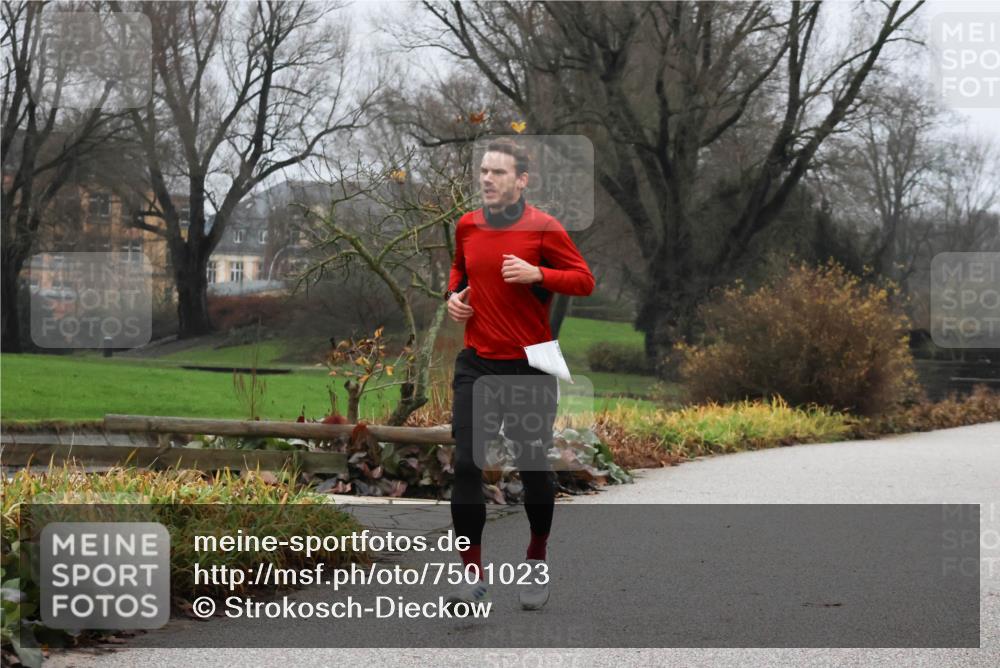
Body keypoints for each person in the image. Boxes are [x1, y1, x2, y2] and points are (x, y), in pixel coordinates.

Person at [444, 138, 595, 611]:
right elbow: (459, 271)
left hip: (530, 365)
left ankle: (535, 555)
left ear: (522, 180)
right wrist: (453, 297)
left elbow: (584, 280)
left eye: (499, 173)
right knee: (467, 463)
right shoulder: (466, 226)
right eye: (484, 171)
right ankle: (472, 576)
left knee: (532, 467)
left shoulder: (545, 229)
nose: (487, 179)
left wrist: (538, 275)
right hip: (477, 364)